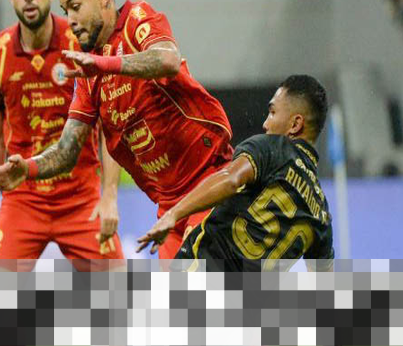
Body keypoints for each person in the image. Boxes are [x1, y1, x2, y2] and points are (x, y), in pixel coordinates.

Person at [0, 0, 234, 261]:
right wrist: (28, 168)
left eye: (75, 6)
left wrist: (106, 64)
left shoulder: (137, 19)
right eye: (66, 11)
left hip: (209, 183)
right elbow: (66, 151)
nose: (71, 20)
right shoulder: (87, 74)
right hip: (169, 206)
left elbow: (168, 59)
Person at [0, 0, 124, 272]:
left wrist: (110, 195)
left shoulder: (80, 44)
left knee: (121, 293)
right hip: (23, 200)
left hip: (81, 197)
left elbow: (109, 124)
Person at [137, 75, 334, 272]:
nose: (266, 124)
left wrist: (173, 214)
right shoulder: (321, 214)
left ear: (295, 124)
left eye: (273, 113)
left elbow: (231, 179)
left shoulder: (273, 149)